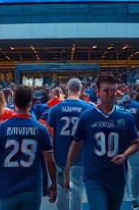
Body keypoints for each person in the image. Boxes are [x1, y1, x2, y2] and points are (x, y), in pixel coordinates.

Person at [64, 74, 139, 210]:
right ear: (97, 91)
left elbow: (136, 143)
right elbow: (76, 144)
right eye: (106, 90)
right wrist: (67, 171)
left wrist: (124, 155)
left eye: (113, 90)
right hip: (94, 175)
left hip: (117, 175)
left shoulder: (126, 117)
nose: (110, 94)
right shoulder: (87, 116)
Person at [0, 85, 57, 209]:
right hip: (31, 187)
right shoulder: (41, 129)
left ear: (14, 102)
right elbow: (50, 160)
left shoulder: (2, 128)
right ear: (30, 103)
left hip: (7, 186)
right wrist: (54, 183)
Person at [45, 78, 91, 210]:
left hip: (60, 156)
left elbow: (50, 129)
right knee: (76, 190)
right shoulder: (88, 109)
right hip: (79, 156)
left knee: (62, 191)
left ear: (68, 89)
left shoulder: (55, 109)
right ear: (80, 90)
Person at [118, 88, 139, 209]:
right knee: (135, 170)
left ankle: (124, 196)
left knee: (121, 169)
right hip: (133, 141)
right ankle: (134, 198)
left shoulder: (114, 106)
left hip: (119, 142)